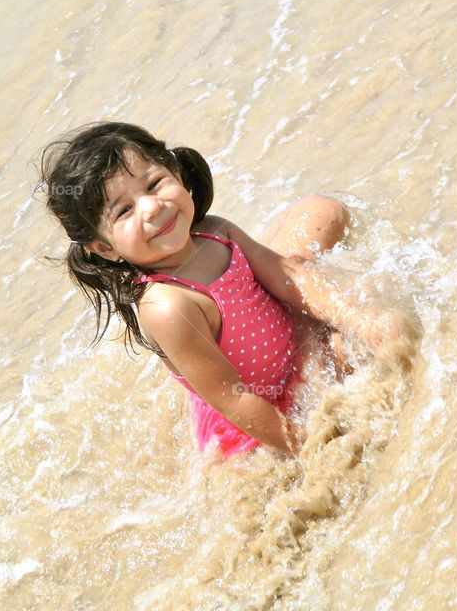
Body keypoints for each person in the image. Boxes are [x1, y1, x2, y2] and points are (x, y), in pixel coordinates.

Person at [38, 121, 400, 458]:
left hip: (284, 345)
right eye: (124, 211)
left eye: (154, 184)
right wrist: (311, 446)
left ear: (176, 173)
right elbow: (234, 400)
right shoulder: (167, 304)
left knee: (321, 211)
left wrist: (358, 317)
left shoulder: (215, 231)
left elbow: (288, 277)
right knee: (348, 364)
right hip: (257, 414)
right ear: (105, 248)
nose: (151, 207)